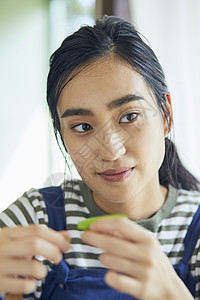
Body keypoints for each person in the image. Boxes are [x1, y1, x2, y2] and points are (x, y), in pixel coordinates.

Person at [0, 15, 199, 300]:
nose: (110, 150)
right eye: (82, 127)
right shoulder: (36, 218)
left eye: (129, 117)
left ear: (165, 116)